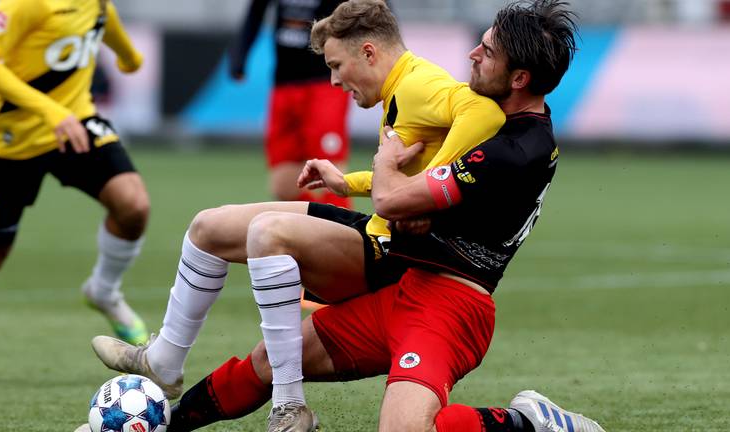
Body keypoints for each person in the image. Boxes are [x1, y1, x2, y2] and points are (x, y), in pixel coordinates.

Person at [85, 1, 602, 432]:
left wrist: (389, 177)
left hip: (451, 299)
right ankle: (166, 411)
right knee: (236, 280)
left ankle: (531, 421)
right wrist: (370, 185)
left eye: (486, 52)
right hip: (405, 272)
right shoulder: (485, 111)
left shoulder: (516, 146)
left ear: (519, 77)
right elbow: (405, 197)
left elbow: (394, 201)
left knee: (414, 430)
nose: (472, 54)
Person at [0, 0, 150, 344]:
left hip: (77, 123)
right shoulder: (24, 4)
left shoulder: (99, 3)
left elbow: (104, 25)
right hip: (12, 138)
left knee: (133, 205)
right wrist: (50, 111)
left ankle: (103, 291)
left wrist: (129, 58)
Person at [229, 0, 354, 208]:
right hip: (284, 84)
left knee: (330, 173)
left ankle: (344, 232)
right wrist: (240, 54)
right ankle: (312, 226)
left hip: (325, 83)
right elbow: (255, 11)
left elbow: (378, 12)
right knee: (283, 186)